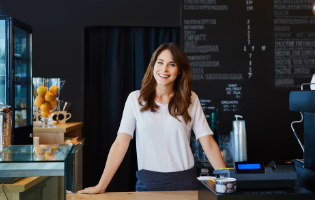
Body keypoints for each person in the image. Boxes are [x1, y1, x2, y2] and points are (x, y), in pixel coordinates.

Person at [78, 43, 226, 193]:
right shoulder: (135, 99)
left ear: (180, 70)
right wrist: (101, 186)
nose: (164, 69)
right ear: (153, 66)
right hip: (148, 184)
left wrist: (226, 180)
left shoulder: (191, 99)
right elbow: (120, 144)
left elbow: (207, 143)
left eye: (172, 64)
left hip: (185, 182)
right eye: (160, 62)